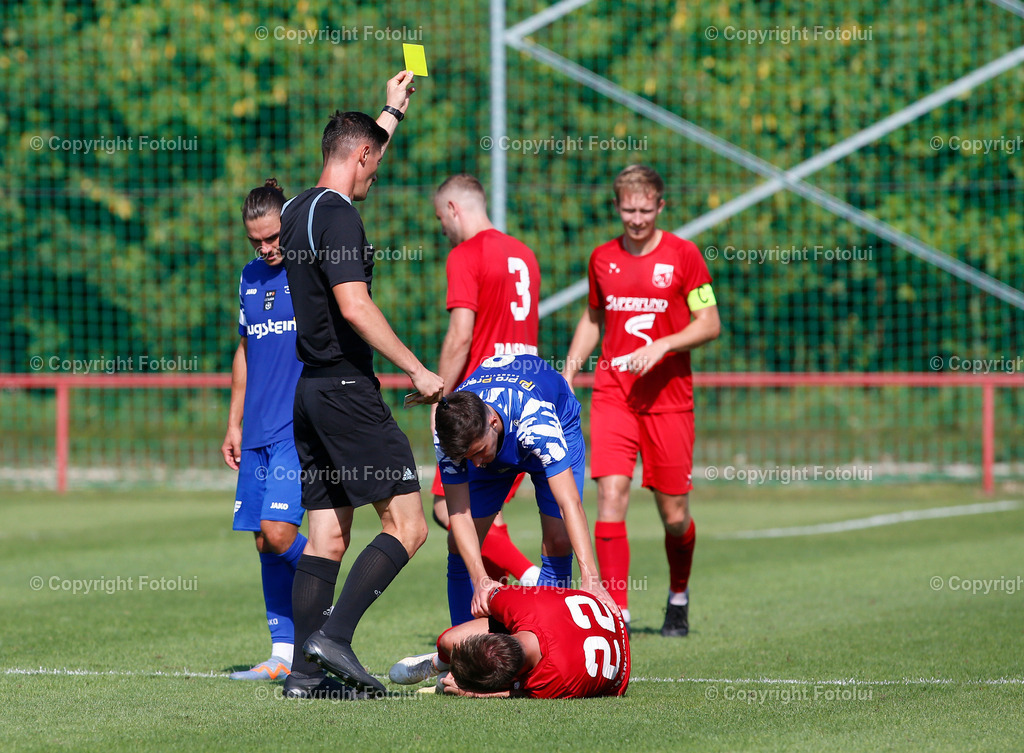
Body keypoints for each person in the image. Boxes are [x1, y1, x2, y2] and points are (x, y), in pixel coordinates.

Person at [277, 70, 444, 700]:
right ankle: (335, 637)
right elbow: (355, 305)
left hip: (310, 392)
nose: (375, 175)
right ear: (361, 157)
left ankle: (301, 673)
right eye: (374, 163)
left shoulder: (296, 210)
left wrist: (390, 112)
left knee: (327, 535)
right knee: (409, 524)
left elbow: (359, 153)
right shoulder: (340, 216)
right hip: (348, 390)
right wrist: (417, 368)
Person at [562, 164, 721, 637]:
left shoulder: (684, 256)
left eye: (644, 210)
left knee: (674, 517)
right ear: (617, 207)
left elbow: (709, 322)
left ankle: (678, 595)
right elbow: (594, 317)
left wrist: (663, 345)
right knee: (611, 494)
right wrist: (569, 370)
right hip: (614, 395)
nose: (636, 219)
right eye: (628, 210)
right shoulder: (602, 259)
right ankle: (616, 614)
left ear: (660, 206)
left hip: (670, 400)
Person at [434, 353, 613, 625]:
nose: (477, 464)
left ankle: (548, 634)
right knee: (457, 546)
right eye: (469, 458)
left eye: (480, 452)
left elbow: (569, 504)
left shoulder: (538, 423)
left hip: (557, 420)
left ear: (492, 422)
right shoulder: (450, 436)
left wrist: (591, 578)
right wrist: (480, 580)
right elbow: (459, 514)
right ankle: (462, 648)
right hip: (503, 430)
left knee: (559, 540)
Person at [431, 174, 542, 604]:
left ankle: (532, 582)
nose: (443, 229)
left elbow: (461, 335)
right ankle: (504, 614)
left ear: (454, 209)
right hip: (526, 398)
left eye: (442, 218)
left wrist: (441, 397)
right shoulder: (524, 254)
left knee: (447, 511)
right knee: (480, 525)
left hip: (484, 405)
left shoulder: (465, 254)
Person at [220, 179, 307, 681]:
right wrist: (233, 423)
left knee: (279, 534)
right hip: (255, 429)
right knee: (262, 540)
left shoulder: (311, 271)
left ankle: (326, 581)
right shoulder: (249, 277)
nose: (267, 248)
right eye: (257, 241)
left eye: (273, 237)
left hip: (296, 427)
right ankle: (283, 655)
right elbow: (246, 350)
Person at [389, 585, 630, 699]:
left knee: (450, 648)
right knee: (448, 641)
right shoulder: (521, 607)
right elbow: (490, 592)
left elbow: (517, 693)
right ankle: (439, 663)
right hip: (589, 619)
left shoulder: (555, 678)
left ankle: (448, 670)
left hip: (613, 668)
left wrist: (473, 693)